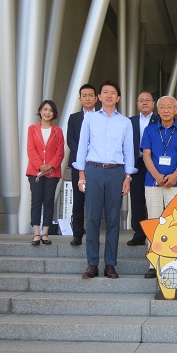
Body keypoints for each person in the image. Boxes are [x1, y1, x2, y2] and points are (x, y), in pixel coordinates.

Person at [73, 80, 136, 279]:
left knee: (113, 219)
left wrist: (128, 177)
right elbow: (82, 147)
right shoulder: (90, 119)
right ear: (99, 97)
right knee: (91, 218)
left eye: (113, 93)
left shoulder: (125, 122)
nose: (109, 95)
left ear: (118, 98)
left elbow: (129, 151)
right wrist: (81, 174)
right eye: (105, 92)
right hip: (94, 170)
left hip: (117, 172)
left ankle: (110, 263)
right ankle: (92, 263)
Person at [140, 96, 177, 278]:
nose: (166, 110)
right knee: (154, 222)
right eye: (162, 107)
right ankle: (154, 263)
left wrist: (175, 174)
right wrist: (157, 176)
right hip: (153, 183)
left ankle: (175, 261)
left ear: (176, 110)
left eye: (170, 107)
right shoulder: (150, 130)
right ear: (158, 110)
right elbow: (146, 155)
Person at [27, 100, 65, 246]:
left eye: (50, 110)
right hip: (34, 172)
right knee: (36, 201)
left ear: (54, 113)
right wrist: (40, 166)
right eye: (45, 109)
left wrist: (50, 166)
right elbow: (31, 150)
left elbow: (60, 152)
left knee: (49, 201)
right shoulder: (32, 129)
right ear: (40, 111)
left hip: (52, 173)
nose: (47, 112)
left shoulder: (58, 131)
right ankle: (36, 233)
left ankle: (45, 233)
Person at [67, 84, 97, 246]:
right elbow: (70, 139)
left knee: (94, 201)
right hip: (79, 165)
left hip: (96, 165)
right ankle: (77, 234)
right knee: (78, 200)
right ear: (80, 99)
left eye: (90, 95)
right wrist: (82, 155)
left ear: (96, 98)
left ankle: (93, 235)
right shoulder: (74, 117)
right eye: (84, 95)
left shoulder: (101, 116)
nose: (87, 98)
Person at [127, 92, 157, 246]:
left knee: (155, 199)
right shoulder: (129, 121)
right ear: (137, 103)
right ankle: (139, 233)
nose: (144, 103)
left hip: (155, 164)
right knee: (137, 198)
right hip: (136, 164)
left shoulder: (159, 120)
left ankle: (156, 232)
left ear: (153, 103)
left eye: (148, 100)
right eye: (141, 100)